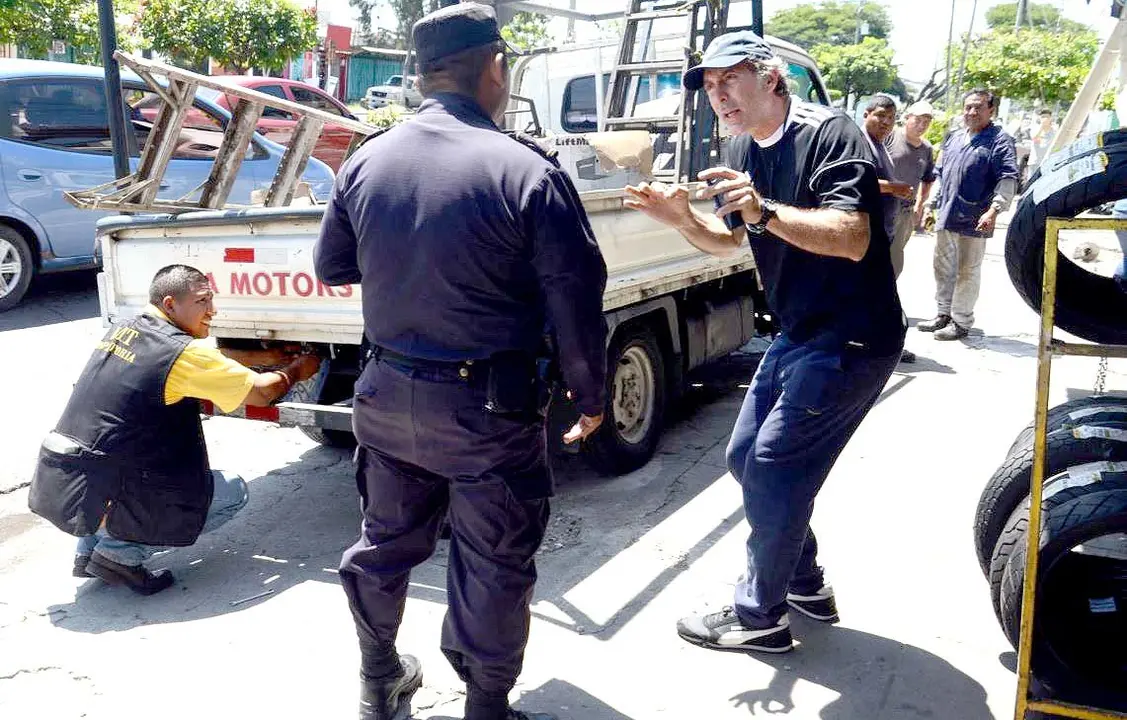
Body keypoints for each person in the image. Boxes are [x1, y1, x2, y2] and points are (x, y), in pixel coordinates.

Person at [313, 4, 608, 720]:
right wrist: (590, 395)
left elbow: (333, 264)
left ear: (420, 74)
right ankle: (485, 707)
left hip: (384, 395)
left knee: (383, 543)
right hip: (486, 411)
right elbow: (574, 298)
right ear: (495, 66)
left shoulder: (367, 157)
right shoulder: (523, 169)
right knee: (494, 563)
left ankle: (379, 678)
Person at [624, 31, 904, 654]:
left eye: (729, 79)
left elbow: (854, 236)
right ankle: (803, 583)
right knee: (743, 459)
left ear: (771, 78)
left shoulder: (831, 133)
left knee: (775, 467)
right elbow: (736, 243)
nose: (717, 95)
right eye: (709, 85)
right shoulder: (743, 149)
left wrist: (765, 212)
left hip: (853, 336)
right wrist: (683, 222)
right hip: (798, 331)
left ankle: (760, 617)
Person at [28, 264, 321, 595]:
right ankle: (119, 557)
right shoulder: (181, 354)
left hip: (69, 485)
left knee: (115, 461)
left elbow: (203, 357)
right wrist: (297, 369)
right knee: (231, 491)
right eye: (203, 301)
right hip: (111, 487)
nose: (213, 310)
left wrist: (260, 356)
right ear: (170, 304)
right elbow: (263, 392)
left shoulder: (128, 328)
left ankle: (88, 551)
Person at [918, 88, 1018, 341]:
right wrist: (932, 202)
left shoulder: (1000, 140)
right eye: (968, 107)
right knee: (942, 267)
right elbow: (940, 173)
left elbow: (1007, 177)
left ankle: (961, 321)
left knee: (967, 270)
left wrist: (995, 209)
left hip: (977, 217)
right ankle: (943, 314)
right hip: (947, 213)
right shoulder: (953, 137)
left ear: (990, 110)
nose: (972, 112)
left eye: (978, 107)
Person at [862, 94, 917, 364]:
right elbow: (861, 181)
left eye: (891, 118)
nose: (885, 122)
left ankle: (880, 343)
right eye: (880, 115)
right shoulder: (861, 143)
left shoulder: (880, 144)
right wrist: (894, 188)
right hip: (867, 233)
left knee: (878, 290)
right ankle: (876, 345)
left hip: (884, 231)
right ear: (866, 115)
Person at [885, 100, 937, 279]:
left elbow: (928, 179)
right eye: (918, 120)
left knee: (894, 259)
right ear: (907, 118)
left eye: (927, 122)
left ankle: (886, 300)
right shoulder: (890, 136)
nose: (922, 125)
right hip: (882, 206)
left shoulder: (927, 148)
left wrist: (920, 207)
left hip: (906, 211)